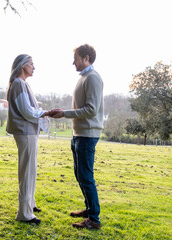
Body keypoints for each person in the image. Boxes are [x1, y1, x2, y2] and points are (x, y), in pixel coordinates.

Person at [50, 44, 104, 229]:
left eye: (76, 58)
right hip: (79, 133)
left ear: (86, 58)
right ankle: (89, 210)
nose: (73, 62)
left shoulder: (93, 78)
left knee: (86, 176)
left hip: (88, 134)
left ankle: (94, 219)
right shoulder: (84, 77)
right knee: (79, 174)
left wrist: (65, 113)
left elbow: (91, 110)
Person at [6, 54, 49, 225]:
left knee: (31, 170)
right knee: (27, 171)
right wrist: (44, 113)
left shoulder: (22, 84)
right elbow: (27, 111)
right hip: (25, 132)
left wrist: (42, 112)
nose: (34, 67)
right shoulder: (18, 84)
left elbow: (30, 109)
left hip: (28, 132)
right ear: (23, 65)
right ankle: (24, 213)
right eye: (31, 64)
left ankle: (30, 204)